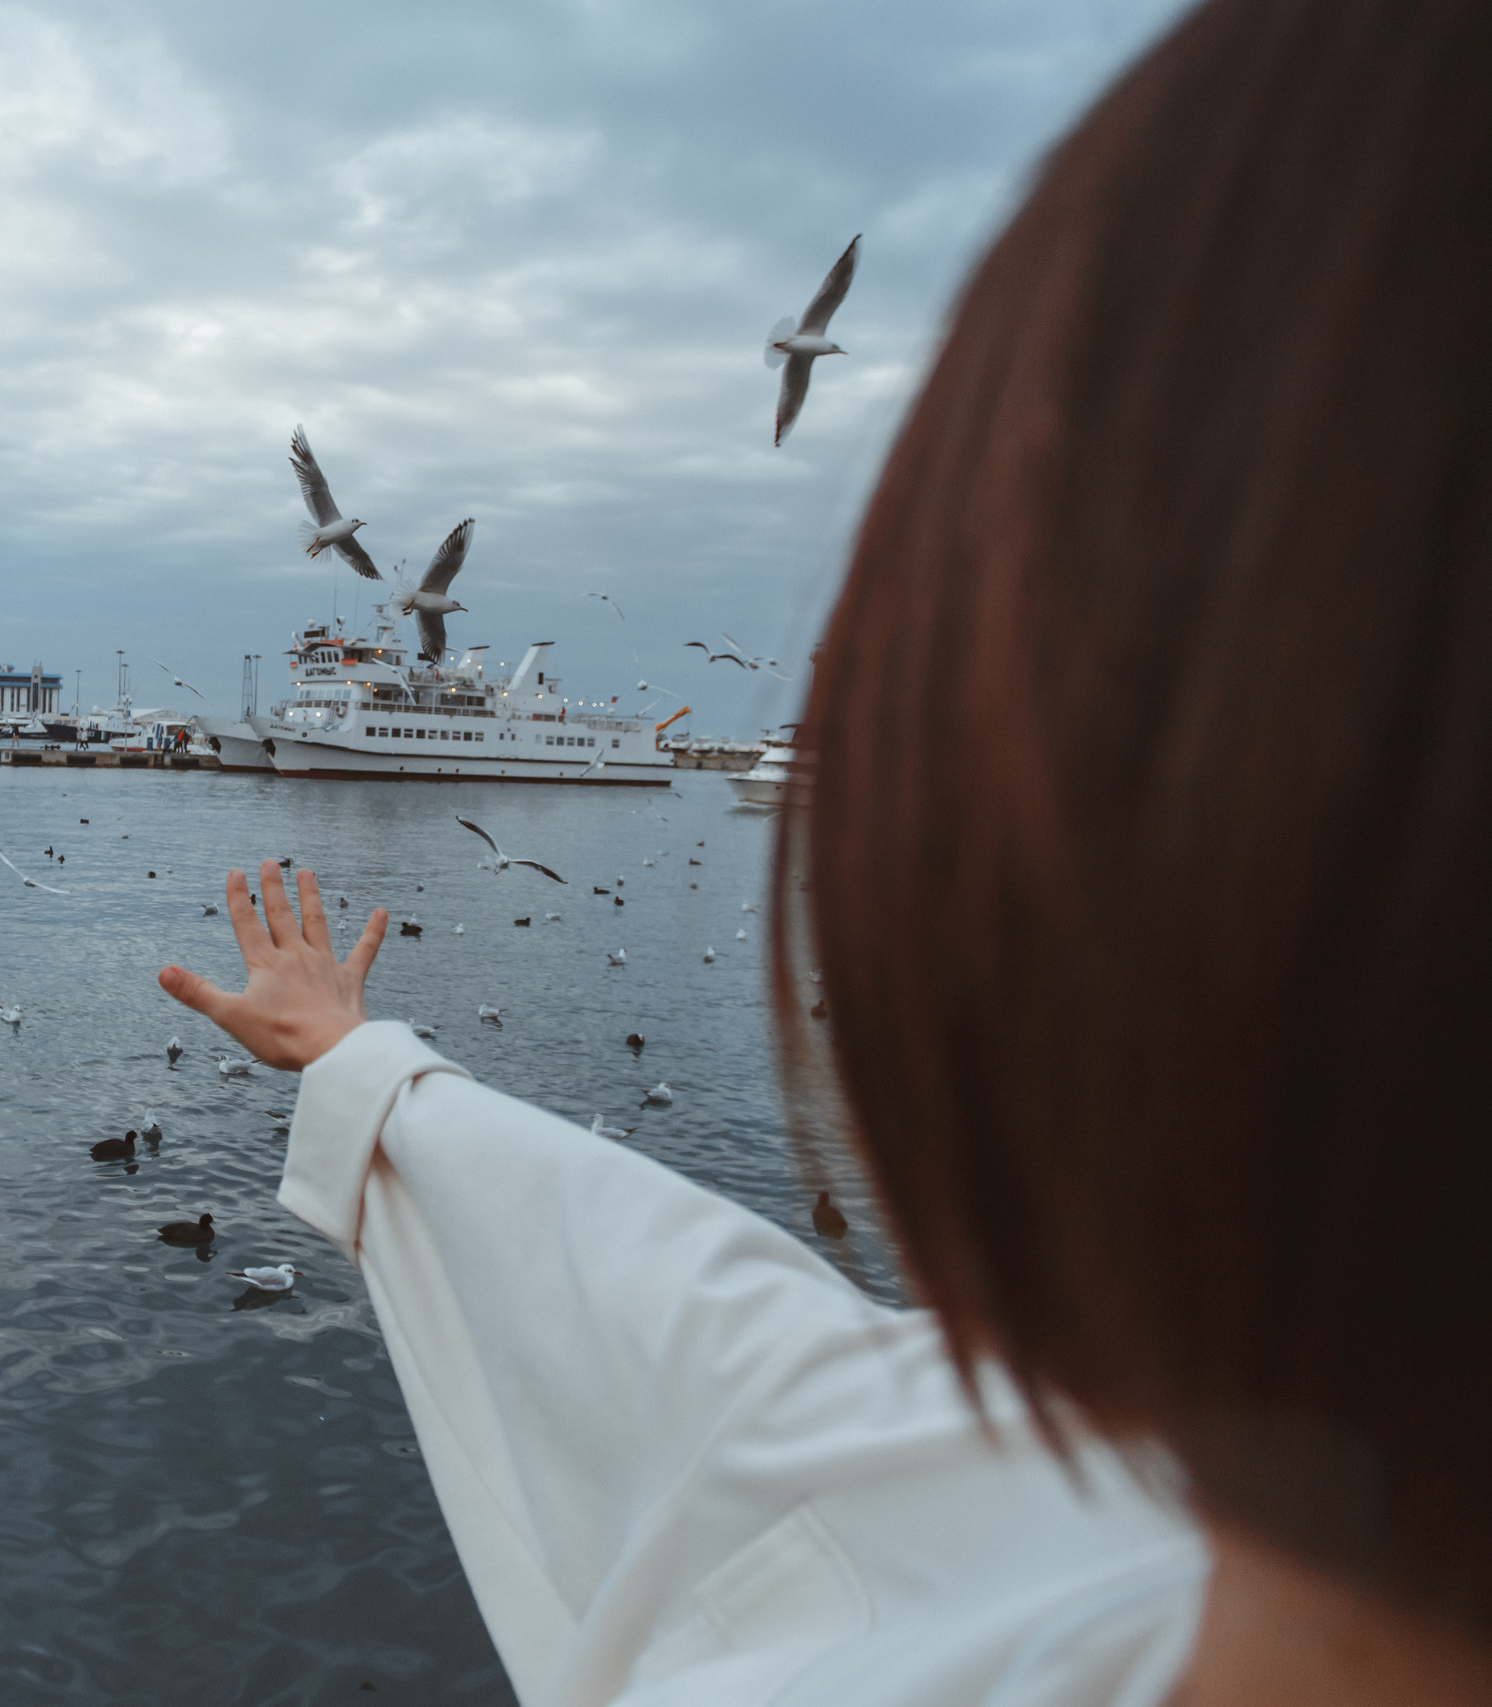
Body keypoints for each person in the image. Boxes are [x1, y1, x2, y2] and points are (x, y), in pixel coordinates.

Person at [158, 1, 1492, 1702]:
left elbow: (703, 1347)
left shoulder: (992, 1490)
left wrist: (365, 1083)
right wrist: (360, 1069)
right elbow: (684, 1312)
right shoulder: (1031, 1483)